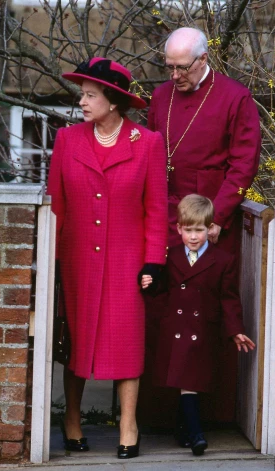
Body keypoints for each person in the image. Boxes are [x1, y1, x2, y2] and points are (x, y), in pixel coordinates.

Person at [139, 25, 261, 429]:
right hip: (165, 220)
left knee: (205, 317)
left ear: (204, 60)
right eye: (169, 67)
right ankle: (159, 415)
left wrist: (217, 219)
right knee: (163, 313)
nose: (174, 76)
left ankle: (209, 418)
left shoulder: (234, 97)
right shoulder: (161, 96)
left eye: (182, 68)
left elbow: (243, 162)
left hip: (210, 224)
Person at [47, 57, 168, 459]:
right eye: (82, 94)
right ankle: (73, 420)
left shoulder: (147, 142)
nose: (81, 102)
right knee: (75, 340)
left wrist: (154, 261)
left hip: (126, 261)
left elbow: (156, 208)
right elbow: (56, 205)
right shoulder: (67, 140)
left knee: (126, 340)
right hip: (76, 258)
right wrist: (52, 261)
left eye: (89, 95)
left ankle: (128, 425)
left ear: (113, 101)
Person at [141, 194, 255, 456]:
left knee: (188, 381)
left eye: (200, 230)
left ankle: (187, 431)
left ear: (210, 228)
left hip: (203, 330)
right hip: (175, 329)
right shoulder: (169, 256)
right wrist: (150, 283)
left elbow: (229, 298)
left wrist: (235, 329)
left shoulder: (223, 259)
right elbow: (162, 289)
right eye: (189, 230)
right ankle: (195, 434)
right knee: (186, 382)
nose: (194, 236)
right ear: (179, 228)